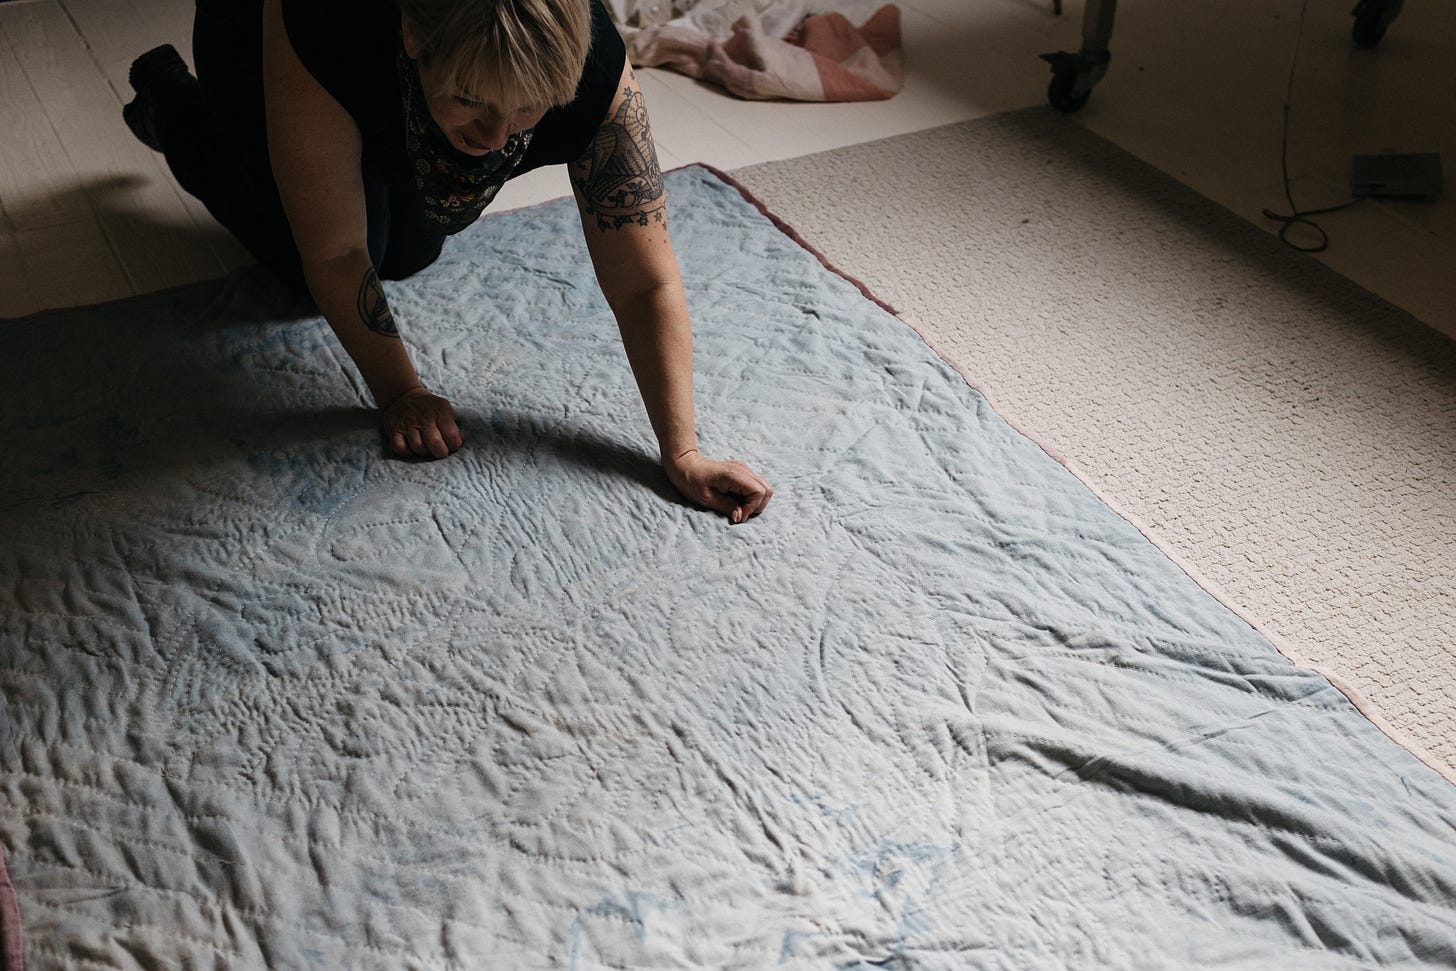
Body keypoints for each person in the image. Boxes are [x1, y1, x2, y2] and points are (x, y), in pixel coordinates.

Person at [123, 0, 773, 524]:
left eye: (526, 108)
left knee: (407, 252)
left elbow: (643, 280)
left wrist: (682, 450)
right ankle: (169, 101)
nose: (497, 136)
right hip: (259, 35)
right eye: (471, 99)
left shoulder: (594, 63)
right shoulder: (324, 23)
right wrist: (401, 392)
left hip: (397, 81)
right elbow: (337, 253)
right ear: (411, 35)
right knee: (302, 255)